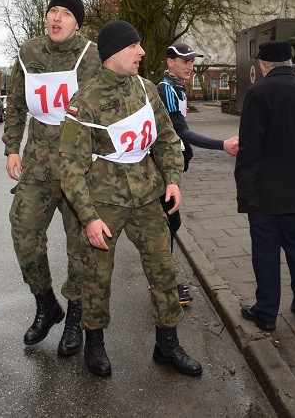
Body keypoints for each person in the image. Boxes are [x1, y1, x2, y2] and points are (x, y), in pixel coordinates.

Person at [60, 20, 202, 378]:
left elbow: (167, 139)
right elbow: (71, 169)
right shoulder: (85, 102)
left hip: (147, 195)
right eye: (133, 46)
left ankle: (166, 345)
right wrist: (88, 217)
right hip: (103, 203)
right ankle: (94, 343)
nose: (141, 52)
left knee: (164, 270)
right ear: (113, 54)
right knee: (96, 276)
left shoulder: (146, 89)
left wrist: (172, 179)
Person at [3, 0, 100, 355]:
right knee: (24, 231)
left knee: (80, 249)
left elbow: (99, 112)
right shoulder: (28, 54)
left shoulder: (90, 57)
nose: (56, 18)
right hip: (38, 167)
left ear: (77, 22)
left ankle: (75, 314)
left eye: (65, 14)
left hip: (79, 170)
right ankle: (46, 305)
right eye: (52, 12)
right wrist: (12, 147)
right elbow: (15, 103)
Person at [235, 40, 295, 332]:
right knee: (293, 243)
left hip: (265, 190)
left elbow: (250, 148)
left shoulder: (259, 93)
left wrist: (244, 190)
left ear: (263, 65)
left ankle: (267, 312)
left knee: (266, 250)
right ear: (289, 63)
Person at [158, 41, 239, 303]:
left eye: (192, 62)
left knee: (168, 223)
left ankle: (162, 281)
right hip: (159, 168)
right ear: (170, 62)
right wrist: (221, 145)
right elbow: (180, 131)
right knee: (168, 223)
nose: (190, 67)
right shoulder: (165, 90)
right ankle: (163, 286)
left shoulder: (177, 89)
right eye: (185, 62)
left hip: (170, 166)